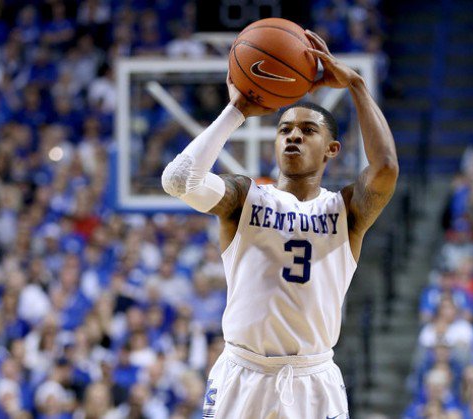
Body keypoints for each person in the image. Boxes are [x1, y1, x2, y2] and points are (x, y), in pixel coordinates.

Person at [160, 30, 398, 418]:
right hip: (243, 372)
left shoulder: (347, 212)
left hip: (313, 379)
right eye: (285, 129)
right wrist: (236, 110)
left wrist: (356, 84)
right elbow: (178, 181)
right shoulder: (245, 198)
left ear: (331, 150)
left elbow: (386, 167)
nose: (293, 137)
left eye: (307, 131)